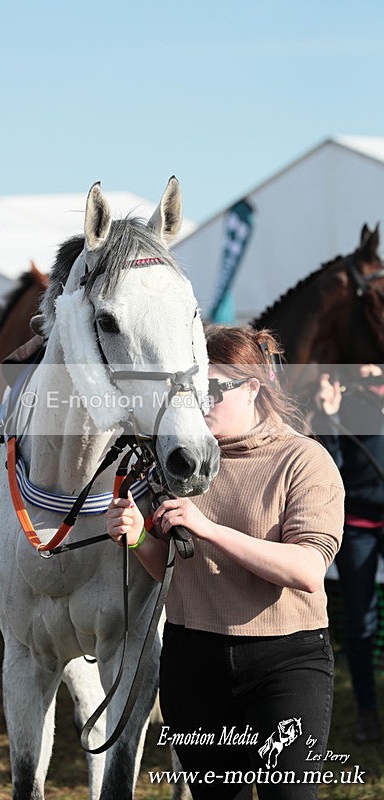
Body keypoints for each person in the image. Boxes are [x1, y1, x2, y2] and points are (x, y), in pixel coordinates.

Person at [106, 325, 345, 800]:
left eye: (213, 389)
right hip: (193, 661)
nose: (198, 403)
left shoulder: (303, 459)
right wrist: (138, 540)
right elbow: (176, 572)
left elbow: (306, 570)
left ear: (254, 386)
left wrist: (211, 529)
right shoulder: (179, 461)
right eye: (190, 391)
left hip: (285, 663)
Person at [313, 365, 384, 743]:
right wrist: (329, 416)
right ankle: (367, 713)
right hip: (358, 525)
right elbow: (331, 469)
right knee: (361, 623)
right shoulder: (345, 399)